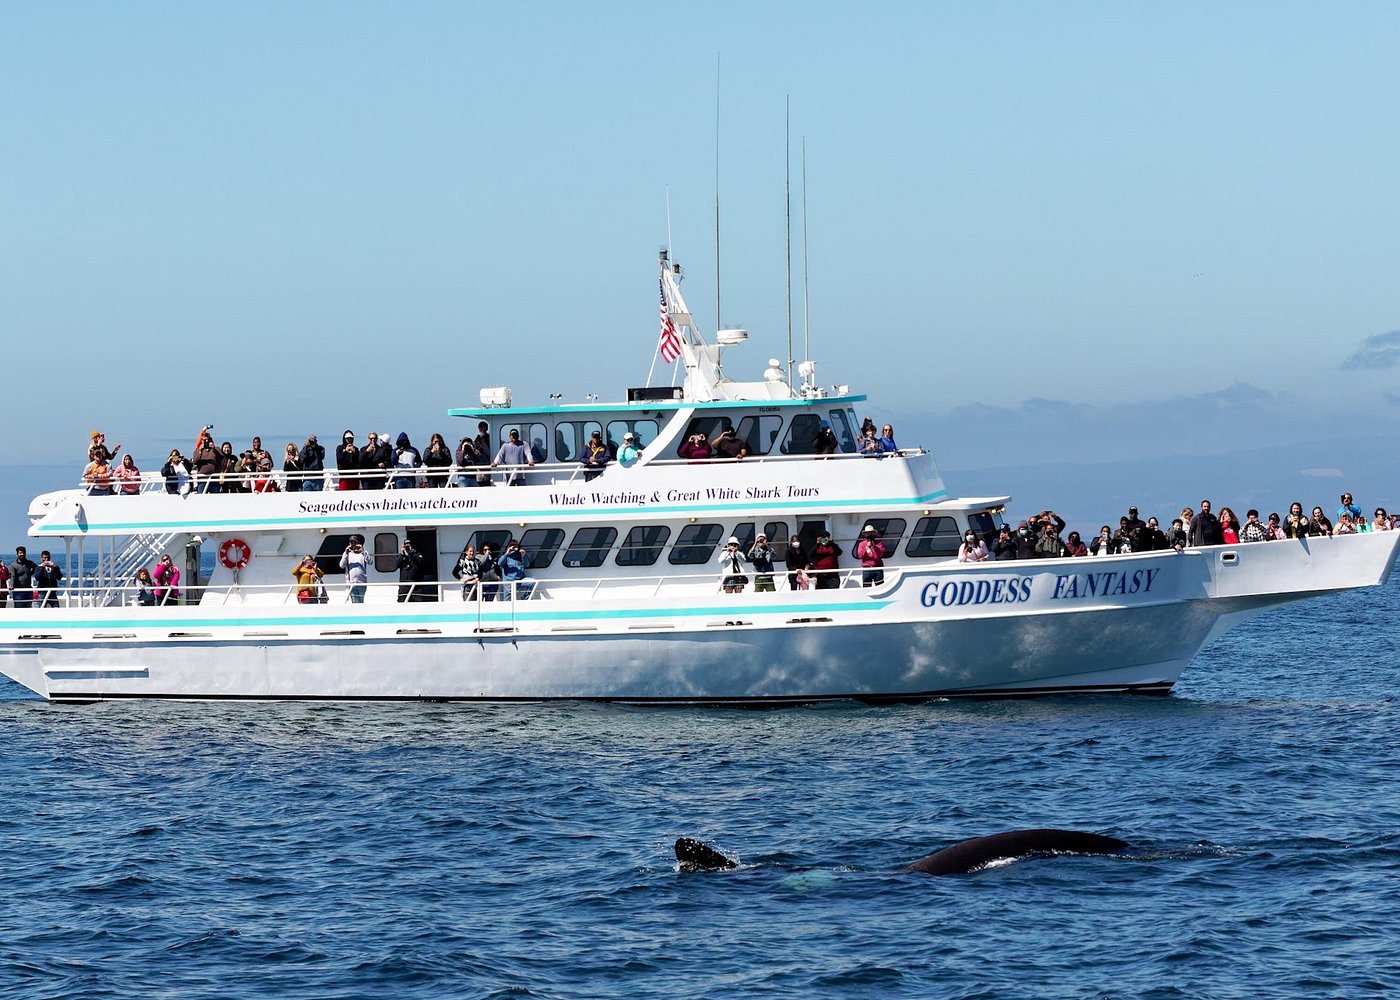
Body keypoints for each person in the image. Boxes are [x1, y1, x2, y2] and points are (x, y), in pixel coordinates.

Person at [340, 535, 370, 603]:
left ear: (358, 543)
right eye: (351, 543)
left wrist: (363, 551)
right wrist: (346, 553)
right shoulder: (347, 554)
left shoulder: (363, 553)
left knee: (361, 602)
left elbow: (370, 562)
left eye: (355, 542)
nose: (353, 544)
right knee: (355, 602)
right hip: (351, 583)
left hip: (362, 583)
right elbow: (341, 565)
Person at [191, 425, 221, 493]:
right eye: (204, 441)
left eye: (208, 440)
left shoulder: (217, 449)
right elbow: (195, 461)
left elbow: (221, 458)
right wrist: (200, 451)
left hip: (214, 479)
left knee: (216, 499)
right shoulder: (197, 451)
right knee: (201, 498)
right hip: (202, 479)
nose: (206, 442)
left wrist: (214, 449)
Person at [473, 421, 494, 486]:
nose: (482, 429)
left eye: (484, 427)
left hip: (488, 464)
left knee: (487, 482)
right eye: (481, 428)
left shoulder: (490, 438)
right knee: (480, 482)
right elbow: (475, 452)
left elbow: (489, 452)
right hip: (479, 465)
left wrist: (483, 443)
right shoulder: (476, 440)